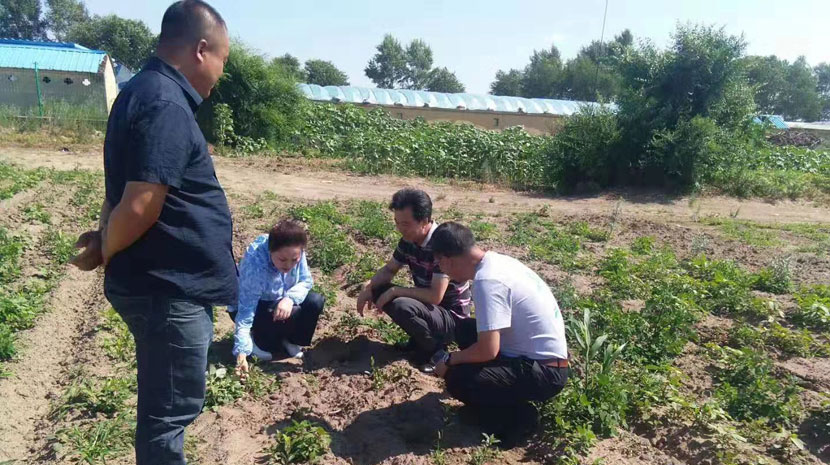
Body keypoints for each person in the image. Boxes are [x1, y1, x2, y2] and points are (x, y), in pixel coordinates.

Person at [69, 2, 235, 464]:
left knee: (167, 410)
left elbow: (120, 191)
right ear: (202, 50)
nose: (220, 72)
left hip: (163, 284)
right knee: (167, 417)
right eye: (222, 59)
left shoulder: (141, 92)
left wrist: (107, 236)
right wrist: (106, 247)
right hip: (167, 288)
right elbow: (140, 203)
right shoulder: (164, 102)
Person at [429, 222, 569, 446]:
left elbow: (488, 350)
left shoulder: (488, 281)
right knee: (465, 329)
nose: (442, 270)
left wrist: (449, 359)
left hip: (546, 373)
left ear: (448, 259)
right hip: (547, 359)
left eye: (440, 264)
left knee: (457, 379)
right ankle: (504, 397)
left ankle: (518, 419)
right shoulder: (497, 262)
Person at [356, 188, 475, 372]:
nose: (400, 228)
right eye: (397, 222)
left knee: (402, 304)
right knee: (380, 289)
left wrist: (396, 291)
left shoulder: (440, 244)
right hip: (431, 310)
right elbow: (390, 269)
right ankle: (418, 342)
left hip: (452, 316)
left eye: (405, 224)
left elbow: (436, 296)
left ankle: (436, 353)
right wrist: (369, 287)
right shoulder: (408, 241)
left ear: (425, 221)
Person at [231, 220, 325, 376]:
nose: (289, 265)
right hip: (254, 306)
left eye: (294, 260)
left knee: (314, 301)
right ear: (270, 251)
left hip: (280, 301)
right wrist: (241, 352)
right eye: (282, 260)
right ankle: (257, 339)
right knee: (271, 345)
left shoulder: (295, 252)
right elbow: (245, 308)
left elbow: (306, 280)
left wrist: (289, 299)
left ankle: (291, 341)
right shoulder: (256, 265)